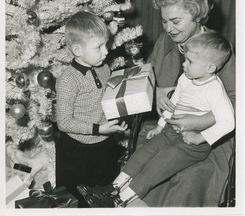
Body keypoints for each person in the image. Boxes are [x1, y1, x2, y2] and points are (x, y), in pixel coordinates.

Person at [77, 32, 235, 207]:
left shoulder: (214, 90)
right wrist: (160, 126)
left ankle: (118, 200)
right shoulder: (186, 78)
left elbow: (228, 122)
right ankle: (111, 189)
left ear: (210, 68)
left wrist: (200, 137)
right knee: (143, 154)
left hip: (193, 143)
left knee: (158, 164)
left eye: (190, 61)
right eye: (184, 59)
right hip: (170, 131)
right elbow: (173, 103)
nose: (184, 64)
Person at [55, 11, 127, 207]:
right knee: (74, 194)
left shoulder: (104, 67)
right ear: (78, 50)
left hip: (104, 142)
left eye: (106, 44)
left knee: (103, 187)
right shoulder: (68, 80)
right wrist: (98, 129)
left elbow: (106, 98)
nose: (106, 51)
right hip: (76, 150)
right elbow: (63, 122)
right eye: (99, 47)